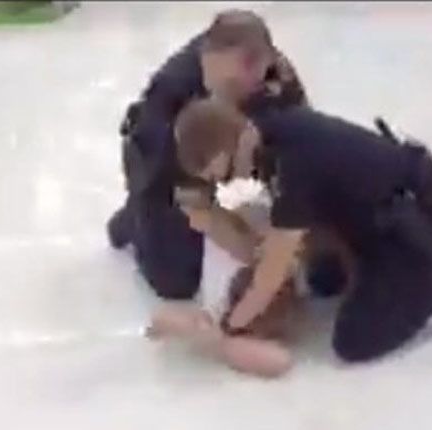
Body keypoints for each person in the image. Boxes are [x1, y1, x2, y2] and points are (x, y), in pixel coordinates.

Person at [172, 98, 432, 362]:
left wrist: (229, 326)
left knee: (353, 341)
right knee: (323, 277)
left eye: (225, 173)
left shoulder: (293, 165)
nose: (229, 182)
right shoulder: (272, 129)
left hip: (412, 228)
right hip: (375, 221)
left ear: (232, 143)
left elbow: (271, 272)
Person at [107, 10, 308, 300]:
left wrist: (290, 228)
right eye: (231, 86)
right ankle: (135, 219)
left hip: (229, 150)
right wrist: (260, 260)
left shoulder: (272, 73)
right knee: (177, 283)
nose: (245, 91)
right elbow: (196, 203)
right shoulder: (172, 95)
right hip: (162, 168)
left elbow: (303, 149)